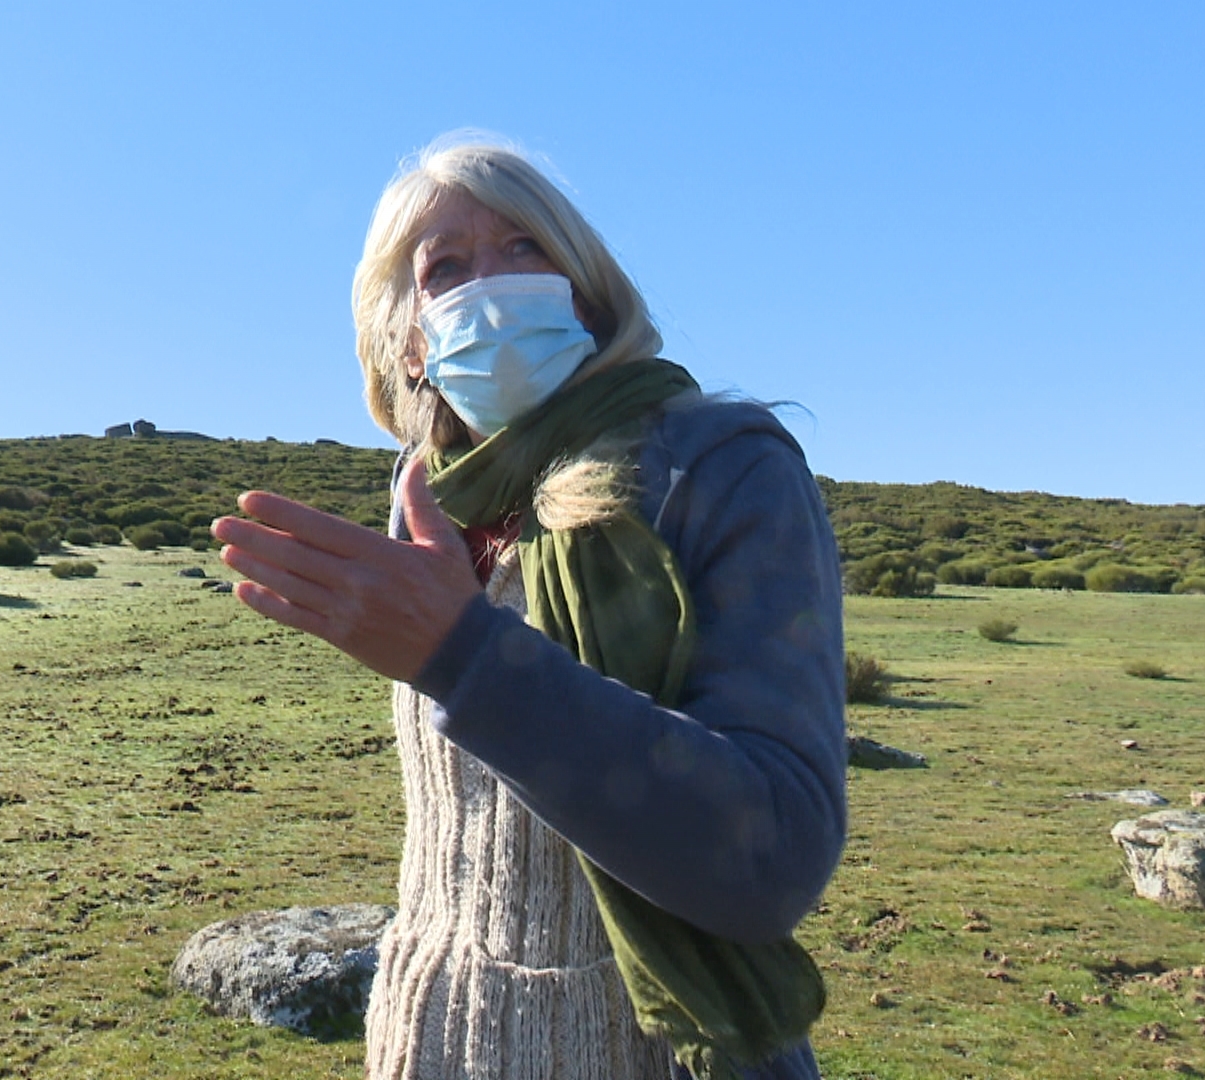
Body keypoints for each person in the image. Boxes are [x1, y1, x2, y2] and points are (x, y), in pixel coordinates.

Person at [212, 134, 847, 1080]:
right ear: (412, 337)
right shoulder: (429, 493)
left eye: (525, 250)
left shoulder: (720, 468)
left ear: (586, 292)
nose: (492, 284)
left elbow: (774, 856)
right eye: (448, 268)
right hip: (438, 1035)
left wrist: (466, 655)